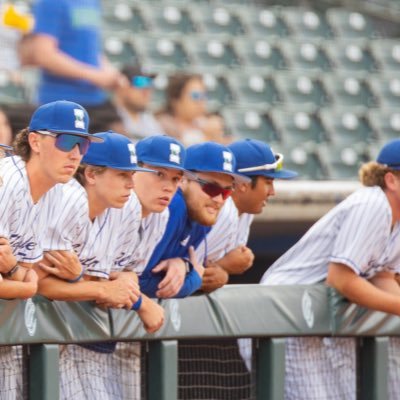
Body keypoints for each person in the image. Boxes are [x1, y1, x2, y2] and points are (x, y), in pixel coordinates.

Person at [244, 138, 400, 400]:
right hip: (282, 315)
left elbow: (382, 276)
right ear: (391, 181)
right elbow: (340, 279)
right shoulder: (372, 205)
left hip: (315, 319)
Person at [36, 130, 164, 400]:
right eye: (122, 175)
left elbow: (108, 276)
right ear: (91, 174)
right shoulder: (66, 201)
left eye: (132, 175)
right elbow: (42, 283)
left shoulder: (126, 209)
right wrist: (107, 291)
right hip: (26, 336)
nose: (131, 184)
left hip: (66, 338)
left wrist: (122, 278)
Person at [0, 99, 98, 400]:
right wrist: (26, 287)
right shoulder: (7, 182)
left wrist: (18, 273)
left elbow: (27, 272)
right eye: (66, 140)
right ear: (35, 141)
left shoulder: (61, 193)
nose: (74, 153)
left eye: (82, 145)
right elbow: (28, 282)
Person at [140, 141, 250, 299]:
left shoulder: (203, 215)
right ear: (183, 181)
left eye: (226, 192)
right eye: (211, 188)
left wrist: (184, 265)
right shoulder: (172, 207)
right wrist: (194, 279)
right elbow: (139, 284)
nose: (219, 199)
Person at [197, 139, 298, 292]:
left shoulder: (245, 211)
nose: (273, 192)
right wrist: (223, 267)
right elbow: (180, 274)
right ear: (243, 184)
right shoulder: (223, 210)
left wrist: (222, 270)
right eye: (268, 182)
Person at [20, 0, 126, 131]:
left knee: (121, 145)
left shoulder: (92, 3)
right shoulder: (50, 2)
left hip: (96, 99)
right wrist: (95, 76)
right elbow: (43, 54)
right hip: (62, 101)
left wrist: (109, 73)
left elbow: (92, 48)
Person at [112, 64, 164, 140]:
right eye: (140, 83)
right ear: (122, 85)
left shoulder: (148, 120)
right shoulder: (105, 119)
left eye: (149, 83)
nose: (147, 91)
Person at [156, 72, 207, 146]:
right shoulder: (160, 127)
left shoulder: (206, 124)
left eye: (204, 95)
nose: (201, 101)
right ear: (176, 100)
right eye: (195, 96)